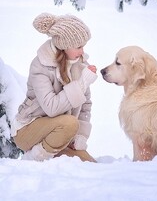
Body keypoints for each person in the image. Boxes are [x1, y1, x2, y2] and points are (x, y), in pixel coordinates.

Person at [11, 12, 98, 162]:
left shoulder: (79, 65)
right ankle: (33, 159)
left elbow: (85, 105)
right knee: (70, 123)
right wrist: (83, 82)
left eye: (84, 46)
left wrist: (81, 136)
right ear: (64, 46)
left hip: (59, 131)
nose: (82, 51)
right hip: (27, 130)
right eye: (78, 46)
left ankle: (49, 151)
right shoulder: (40, 66)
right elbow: (51, 107)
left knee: (89, 164)